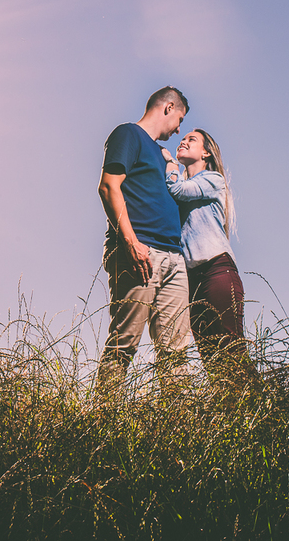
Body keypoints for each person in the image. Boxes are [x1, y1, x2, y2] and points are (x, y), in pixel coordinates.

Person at [96, 86, 191, 390]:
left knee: (175, 355)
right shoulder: (128, 134)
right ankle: (102, 423)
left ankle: (178, 428)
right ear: (169, 107)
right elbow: (109, 186)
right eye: (180, 119)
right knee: (124, 344)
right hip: (141, 252)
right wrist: (130, 242)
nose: (179, 131)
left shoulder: (162, 156)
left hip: (174, 259)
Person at [162, 129, 253, 379]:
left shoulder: (213, 180)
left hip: (217, 271)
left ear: (206, 152)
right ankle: (232, 414)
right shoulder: (181, 183)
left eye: (191, 140)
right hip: (191, 280)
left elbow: (178, 190)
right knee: (211, 359)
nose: (183, 141)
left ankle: (264, 412)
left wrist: (170, 162)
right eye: (183, 138)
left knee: (231, 351)